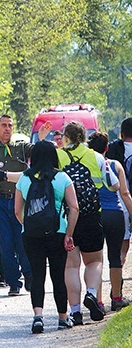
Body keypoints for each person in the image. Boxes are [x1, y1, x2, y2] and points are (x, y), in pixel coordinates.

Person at [57, 121, 119, 324]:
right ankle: (92, 293)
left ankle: (75, 312)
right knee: (94, 262)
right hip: (92, 216)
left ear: (65, 137)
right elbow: (112, 186)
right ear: (84, 137)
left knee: (71, 267)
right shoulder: (96, 157)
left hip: (67, 218)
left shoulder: (58, 156)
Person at [13, 140, 79, 333]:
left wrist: (28, 226)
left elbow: (17, 211)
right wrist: (69, 233)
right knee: (58, 275)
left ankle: (38, 317)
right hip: (57, 232)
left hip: (31, 235)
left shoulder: (24, 179)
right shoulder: (62, 177)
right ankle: (62, 318)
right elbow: (74, 208)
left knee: (37, 274)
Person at [0, 114, 51, 296]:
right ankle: (13, 282)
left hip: (19, 199)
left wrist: (42, 138)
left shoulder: (21, 148)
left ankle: (29, 275)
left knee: (22, 240)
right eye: (4, 125)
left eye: (10, 125)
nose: (7, 129)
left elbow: (37, 152)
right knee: (5, 243)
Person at [89, 132, 132, 311]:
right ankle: (116, 298)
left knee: (95, 260)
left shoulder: (87, 165)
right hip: (115, 214)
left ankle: (98, 301)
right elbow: (124, 193)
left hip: (94, 214)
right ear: (107, 148)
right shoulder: (116, 165)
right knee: (115, 256)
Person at [106, 117, 132, 265]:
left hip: (121, 202)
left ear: (121, 134)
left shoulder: (114, 149)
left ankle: (119, 267)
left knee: (123, 240)